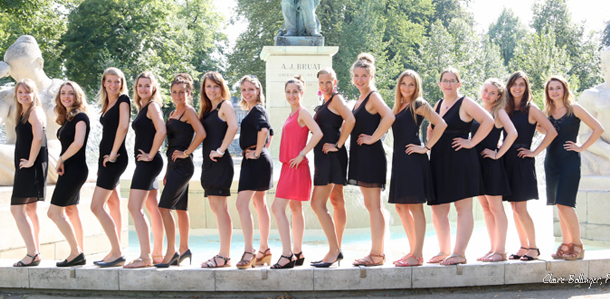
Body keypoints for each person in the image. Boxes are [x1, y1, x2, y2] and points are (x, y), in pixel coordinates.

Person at [427, 68, 494, 266]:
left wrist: (471, 143)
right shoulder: (438, 104)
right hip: (439, 160)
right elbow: (432, 129)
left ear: (459, 83)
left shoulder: (465, 102)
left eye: (452, 80)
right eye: (444, 80)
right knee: (438, 209)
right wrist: (428, 147)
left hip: (460, 160)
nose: (448, 84)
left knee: (462, 208)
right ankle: (444, 250)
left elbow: (488, 121)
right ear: (439, 84)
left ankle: (459, 253)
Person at [389, 70, 446, 267]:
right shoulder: (398, 106)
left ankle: (418, 255)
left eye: (411, 84)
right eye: (403, 83)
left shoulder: (418, 104)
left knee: (415, 206)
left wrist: (426, 147)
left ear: (416, 87)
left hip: (413, 160)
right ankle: (413, 251)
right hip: (400, 161)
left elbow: (441, 124)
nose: (406, 87)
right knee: (400, 206)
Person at [543, 76, 603, 260]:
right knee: (559, 205)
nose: (554, 91)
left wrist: (581, 147)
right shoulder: (547, 112)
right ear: (548, 92)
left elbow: (598, 128)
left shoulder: (574, 108)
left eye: (558, 88)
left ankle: (577, 245)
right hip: (551, 162)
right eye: (551, 88)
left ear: (564, 89)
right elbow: (543, 130)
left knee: (566, 203)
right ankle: (567, 244)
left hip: (569, 162)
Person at [503, 71, 557, 261]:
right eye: (514, 84)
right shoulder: (506, 108)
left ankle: (533, 247)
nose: (517, 87)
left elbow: (551, 131)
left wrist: (534, 151)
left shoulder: (531, 108)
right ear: (509, 86)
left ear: (526, 88)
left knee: (521, 209)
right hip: (506, 161)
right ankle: (523, 246)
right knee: (513, 208)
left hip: (522, 161)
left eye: (522, 84)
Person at [271, 76, 323, 269]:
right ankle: (298, 252)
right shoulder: (292, 114)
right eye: (288, 92)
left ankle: (286, 255)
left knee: (277, 208)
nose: (291, 95)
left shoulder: (302, 112)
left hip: (295, 166)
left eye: (295, 91)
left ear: (302, 93)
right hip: (289, 166)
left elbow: (317, 133)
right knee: (295, 209)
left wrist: (302, 154)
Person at [348, 53, 395, 267]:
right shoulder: (360, 98)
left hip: (371, 156)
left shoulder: (373, 96)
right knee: (373, 206)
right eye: (356, 76)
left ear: (371, 76)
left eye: (364, 76)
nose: (359, 79)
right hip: (362, 156)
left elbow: (389, 116)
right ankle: (379, 251)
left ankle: (376, 255)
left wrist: (374, 138)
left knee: (374, 206)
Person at [154, 74, 205, 268]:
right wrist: (167, 170)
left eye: (182, 92)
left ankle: (171, 251)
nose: (178, 95)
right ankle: (184, 249)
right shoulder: (173, 114)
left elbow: (201, 133)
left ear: (188, 93)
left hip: (184, 166)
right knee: (181, 209)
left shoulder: (189, 111)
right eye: (174, 92)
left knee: (163, 208)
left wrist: (186, 152)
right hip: (174, 166)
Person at [310, 68, 354, 268]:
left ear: (335, 82)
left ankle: (334, 250)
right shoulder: (326, 102)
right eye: (322, 83)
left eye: (329, 82)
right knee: (337, 200)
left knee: (317, 204)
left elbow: (351, 119)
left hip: (331, 155)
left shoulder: (336, 99)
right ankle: (337, 248)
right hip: (326, 155)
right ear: (318, 84)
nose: (325, 86)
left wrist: (338, 144)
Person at [470, 79, 517, 262]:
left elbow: (512, 133)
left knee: (496, 209)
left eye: (492, 93)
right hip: (477, 165)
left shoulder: (499, 112)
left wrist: (498, 154)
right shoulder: (477, 111)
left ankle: (501, 251)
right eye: (485, 90)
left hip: (491, 165)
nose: (487, 95)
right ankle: (492, 249)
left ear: (498, 96)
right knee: (485, 208)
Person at [124, 72, 166, 268]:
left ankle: (145, 257)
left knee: (134, 207)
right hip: (149, 161)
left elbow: (162, 129)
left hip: (149, 162)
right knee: (152, 206)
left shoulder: (152, 106)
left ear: (153, 88)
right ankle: (157, 254)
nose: (143, 89)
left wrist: (150, 154)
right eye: (140, 85)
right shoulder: (143, 107)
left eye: (147, 86)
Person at [91, 67, 130, 268]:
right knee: (113, 203)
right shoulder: (108, 103)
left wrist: (113, 154)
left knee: (95, 206)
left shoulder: (123, 100)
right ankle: (117, 249)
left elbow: (123, 126)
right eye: (110, 81)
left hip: (115, 157)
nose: (114, 85)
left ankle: (117, 252)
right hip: (106, 158)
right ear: (104, 83)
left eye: (117, 81)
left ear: (122, 83)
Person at [48, 81, 90, 267]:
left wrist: (60, 159)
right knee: (71, 210)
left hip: (75, 170)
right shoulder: (68, 118)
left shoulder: (81, 117)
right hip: (70, 168)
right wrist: (63, 160)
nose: (66, 96)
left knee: (54, 212)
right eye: (63, 93)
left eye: (70, 93)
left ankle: (75, 252)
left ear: (77, 96)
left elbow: (78, 143)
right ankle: (79, 250)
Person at [199, 72, 238, 268]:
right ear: (204, 89)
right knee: (216, 208)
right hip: (209, 164)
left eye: (215, 86)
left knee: (221, 209)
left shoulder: (225, 105)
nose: (212, 90)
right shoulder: (207, 109)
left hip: (220, 163)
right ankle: (224, 255)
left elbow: (234, 126)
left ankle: (224, 256)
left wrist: (221, 150)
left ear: (221, 87)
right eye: (208, 87)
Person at [235, 75, 274, 269]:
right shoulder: (257, 109)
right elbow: (270, 133)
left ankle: (249, 251)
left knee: (241, 204)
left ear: (258, 91)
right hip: (259, 159)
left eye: (251, 89)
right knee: (259, 203)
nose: (247, 93)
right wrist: (263, 151)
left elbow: (265, 130)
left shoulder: (257, 109)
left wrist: (258, 152)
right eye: (244, 89)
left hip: (255, 160)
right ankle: (264, 249)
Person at [10, 79, 48, 267]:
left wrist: (31, 160)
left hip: (30, 166)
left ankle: (32, 253)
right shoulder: (23, 112)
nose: (24, 95)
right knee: (31, 209)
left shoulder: (34, 112)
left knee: (16, 209)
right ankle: (36, 251)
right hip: (27, 165)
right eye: (20, 93)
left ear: (34, 94)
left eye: (27, 92)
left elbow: (39, 137)